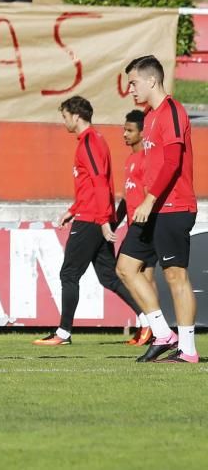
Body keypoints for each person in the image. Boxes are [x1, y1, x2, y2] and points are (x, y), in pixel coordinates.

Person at [33, 96, 143, 346]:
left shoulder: (91, 141)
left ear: (76, 116)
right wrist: (73, 209)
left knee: (69, 274)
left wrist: (104, 220)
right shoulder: (91, 141)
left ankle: (63, 333)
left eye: (64, 116)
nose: (64, 122)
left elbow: (99, 182)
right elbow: (89, 185)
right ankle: (149, 321)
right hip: (90, 215)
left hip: (92, 220)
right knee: (109, 277)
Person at [116, 55, 199, 363]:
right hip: (151, 209)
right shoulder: (148, 116)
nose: (130, 88)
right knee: (125, 268)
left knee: (176, 276)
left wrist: (149, 198)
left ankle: (188, 350)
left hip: (173, 207)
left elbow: (173, 162)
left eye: (133, 82)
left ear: (152, 80)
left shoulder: (172, 111)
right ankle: (163, 333)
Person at [117, 110, 156, 347]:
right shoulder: (130, 160)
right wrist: (115, 220)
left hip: (145, 227)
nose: (125, 134)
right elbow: (127, 197)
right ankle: (150, 329)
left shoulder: (146, 159)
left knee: (132, 275)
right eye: (125, 129)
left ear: (142, 133)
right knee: (144, 278)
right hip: (134, 225)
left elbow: (147, 194)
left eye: (130, 130)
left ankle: (151, 327)